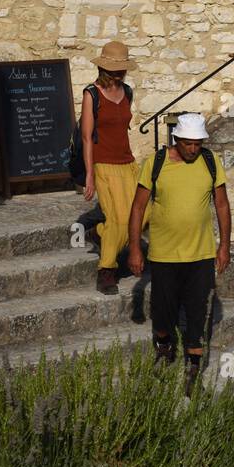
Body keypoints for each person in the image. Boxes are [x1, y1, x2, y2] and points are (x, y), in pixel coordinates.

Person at [127, 113, 231, 396]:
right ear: (177, 140)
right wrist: (135, 247)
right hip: (163, 255)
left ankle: (193, 366)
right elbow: (138, 208)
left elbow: (221, 205)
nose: (194, 149)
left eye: (198, 144)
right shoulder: (156, 163)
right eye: (188, 144)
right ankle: (164, 347)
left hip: (200, 255)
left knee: (198, 311)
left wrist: (224, 246)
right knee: (163, 310)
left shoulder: (210, 162)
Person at [81, 40, 145, 295]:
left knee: (145, 213)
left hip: (127, 162)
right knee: (119, 219)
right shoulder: (92, 93)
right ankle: (107, 270)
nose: (120, 73)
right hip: (103, 165)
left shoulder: (127, 92)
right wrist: (89, 176)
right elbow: (87, 137)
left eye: (122, 69)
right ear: (105, 68)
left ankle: (99, 233)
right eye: (115, 69)